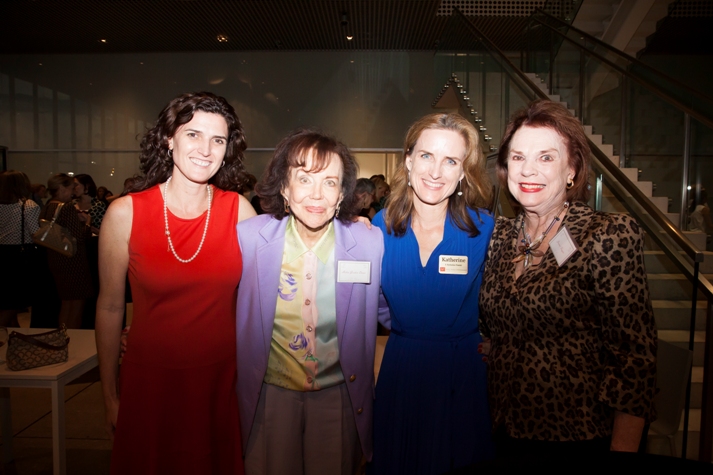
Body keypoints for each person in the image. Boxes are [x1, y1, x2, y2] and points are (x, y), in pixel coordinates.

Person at [479, 100, 657, 463]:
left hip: (578, 439)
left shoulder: (606, 234)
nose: (528, 170)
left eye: (546, 157)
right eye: (517, 157)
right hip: (503, 432)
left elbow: (634, 361)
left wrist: (622, 453)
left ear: (572, 170)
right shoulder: (498, 236)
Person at [96, 91, 256, 475]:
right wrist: (109, 396)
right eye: (193, 135)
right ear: (169, 139)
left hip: (220, 382)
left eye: (218, 140)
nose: (206, 149)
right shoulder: (125, 213)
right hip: (150, 382)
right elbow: (110, 307)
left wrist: (353, 227)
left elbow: (269, 292)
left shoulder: (240, 211)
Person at [236, 129, 390, 475]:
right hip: (269, 396)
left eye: (330, 182)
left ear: (342, 194)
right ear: (285, 188)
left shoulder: (368, 243)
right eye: (304, 179)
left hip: (339, 397)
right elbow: (213, 298)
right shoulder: (249, 239)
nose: (317, 195)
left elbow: (390, 308)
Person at [369, 113, 495, 474]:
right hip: (402, 367)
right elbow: (371, 298)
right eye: (426, 156)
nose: (436, 171)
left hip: (461, 372)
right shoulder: (381, 225)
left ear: (462, 173)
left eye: (450, 161)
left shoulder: (484, 229)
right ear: (408, 161)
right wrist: (407, 328)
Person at [40, 173, 94, 329]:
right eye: (71, 187)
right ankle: (71, 338)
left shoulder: (48, 205)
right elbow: (79, 237)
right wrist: (87, 223)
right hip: (73, 260)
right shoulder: (67, 207)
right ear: (62, 188)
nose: (73, 191)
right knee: (77, 304)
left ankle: (62, 336)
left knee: (66, 303)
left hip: (56, 257)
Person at [0, 171, 40, 326]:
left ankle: (11, 339)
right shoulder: (27, 206)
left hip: (3, 254)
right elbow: (36, 233)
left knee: (6, 301)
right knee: (16, 302)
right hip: (20, 257)